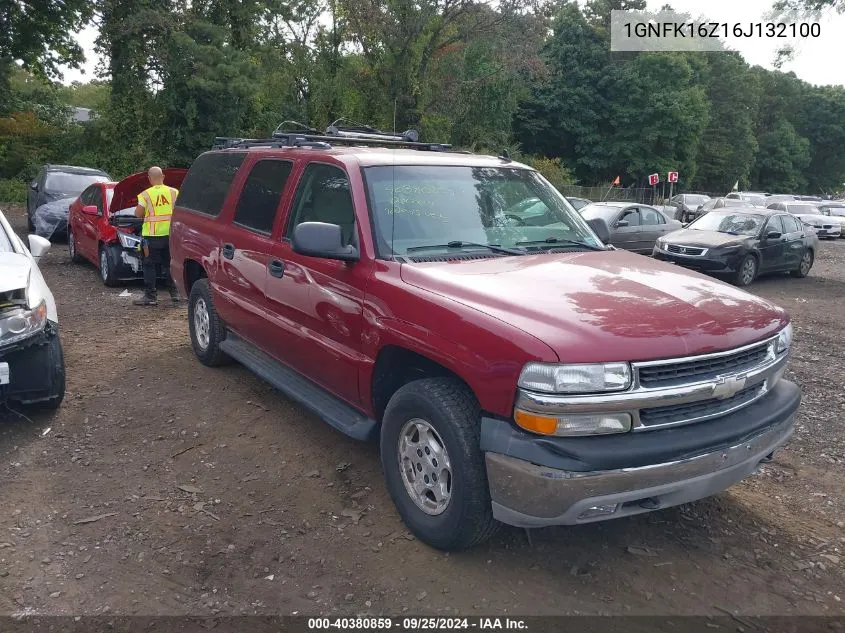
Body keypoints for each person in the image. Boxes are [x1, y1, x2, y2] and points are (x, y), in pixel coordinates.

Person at [133, 166, 180, 306]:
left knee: (149, 265)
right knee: (170, 265)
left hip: (151, 237)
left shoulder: (145, 194)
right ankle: (175, 294)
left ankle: (151, 296)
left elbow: (138, 214)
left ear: (149, 179)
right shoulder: (174, 192)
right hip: (170, 236)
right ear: (163, 177)